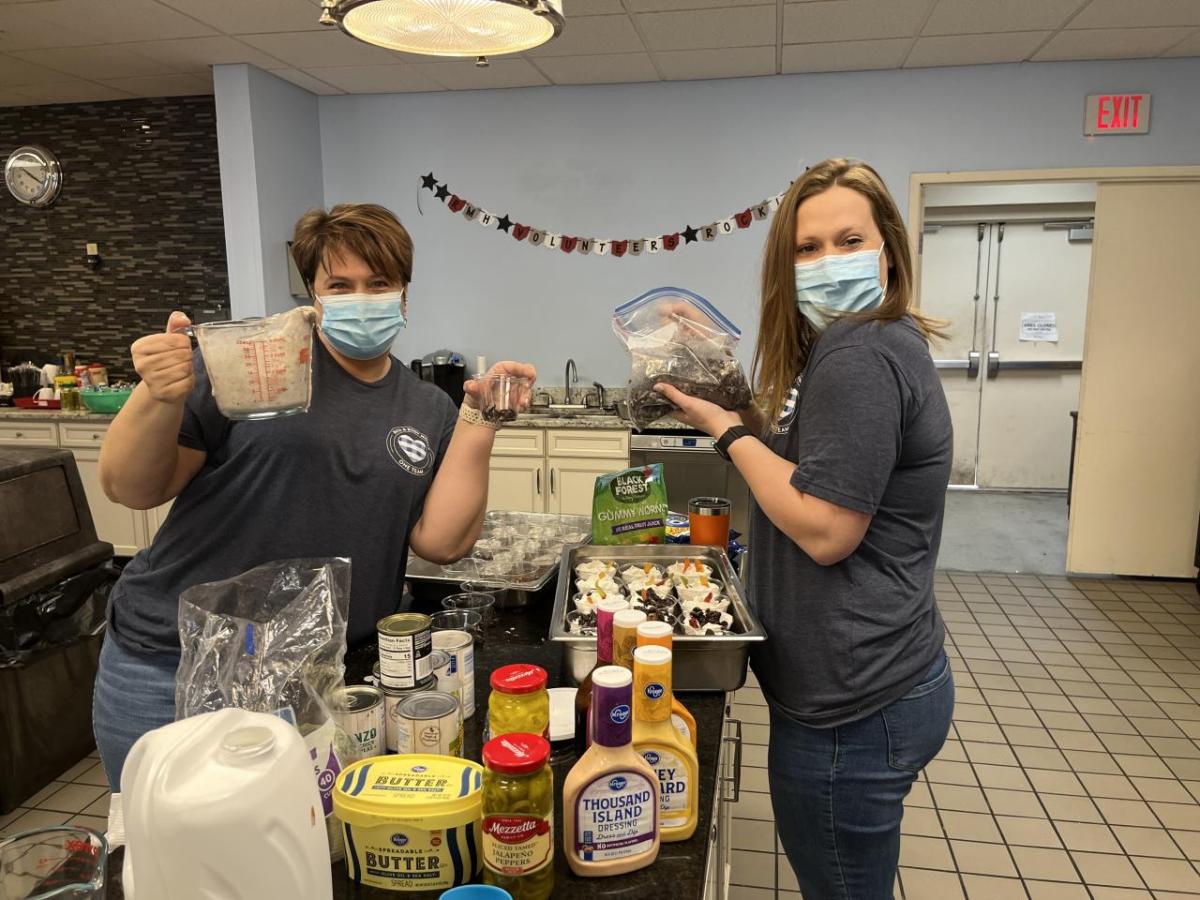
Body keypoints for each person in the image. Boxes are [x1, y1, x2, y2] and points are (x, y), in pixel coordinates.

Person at [93, 203, 535, 790]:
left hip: (322, 681)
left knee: (297, 861)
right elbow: (132, 486)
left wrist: (482, 418)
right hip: (171, 665)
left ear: (404, 293)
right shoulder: (257, 361)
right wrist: (158, 395)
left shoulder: (426, 408)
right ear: (314, 294)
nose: (363, 297)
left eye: (379, 283)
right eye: (340, 285)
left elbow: (442, 541)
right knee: (170, 859)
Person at [657, 159, 953, 898]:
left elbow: (824, 527)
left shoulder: (858, 353)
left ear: (888, 247)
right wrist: (724, 382)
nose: (828, 262)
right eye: (806, 248)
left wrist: (728, 435)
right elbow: (806, 462)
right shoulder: (847, 347)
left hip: (853, 706)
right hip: (880, 677)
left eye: (847, 239)